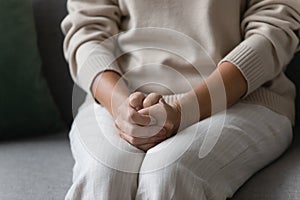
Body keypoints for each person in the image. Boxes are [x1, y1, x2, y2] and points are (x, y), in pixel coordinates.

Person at [61, 0, 300, 199]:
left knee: (168, 172)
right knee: (105, 174)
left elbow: (274, 29)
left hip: (241, 98)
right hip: (116, 96)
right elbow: (86, 30)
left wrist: (182, 110)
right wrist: (122, 107)